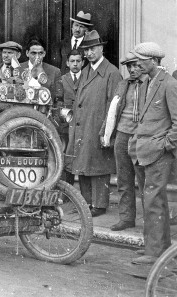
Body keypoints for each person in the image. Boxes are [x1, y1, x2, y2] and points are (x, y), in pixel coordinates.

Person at [128, 42, 177, 265]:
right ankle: (157, 247)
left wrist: (165, 145)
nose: (137, 63)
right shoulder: (148, 82)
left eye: (141, 59)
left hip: (157, 152)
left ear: (154, 61)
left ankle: (155, 252)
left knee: (153, 201)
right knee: (154, 200)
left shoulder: (169, 84)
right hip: (144, 150)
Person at [65, 30, 122, 217]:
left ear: (101, 48)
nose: (89, 53)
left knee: (98, 166)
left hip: (97, 127)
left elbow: (115, 106)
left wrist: (106, 131)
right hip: (83, 125)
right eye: (86, 50)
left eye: (92, 49)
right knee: (83, 165)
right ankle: (86, 203)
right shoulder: (86, 70)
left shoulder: (111, 73)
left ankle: (99, 204)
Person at [100, 51, 146, 231]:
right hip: (122, 135)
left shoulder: (150, 84)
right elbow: (113, 109)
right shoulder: (123, 84)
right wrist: (106, 133)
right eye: (129, 66)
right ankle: (126, 218)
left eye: (136, 65)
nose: (133, 69)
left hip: (141, 137)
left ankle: (149, 222)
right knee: (124, 179)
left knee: (144, 180)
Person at [60, 49, 83, 185]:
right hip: (66, 125)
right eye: (72, 61)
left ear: (82, 62)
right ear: (67, 63)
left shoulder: (87, 79)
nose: (75, 64)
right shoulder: (62, 79)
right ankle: (66, 190)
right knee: (66, 157)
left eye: (78, 61)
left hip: (82, 124)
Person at [20, 38, 63, 105]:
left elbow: (58, 97)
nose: (37, 57)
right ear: (27, 53)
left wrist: (40, 71)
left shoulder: (55, 71)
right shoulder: (19, 68)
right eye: (33, 53)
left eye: (40, 53)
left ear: (44, 54)